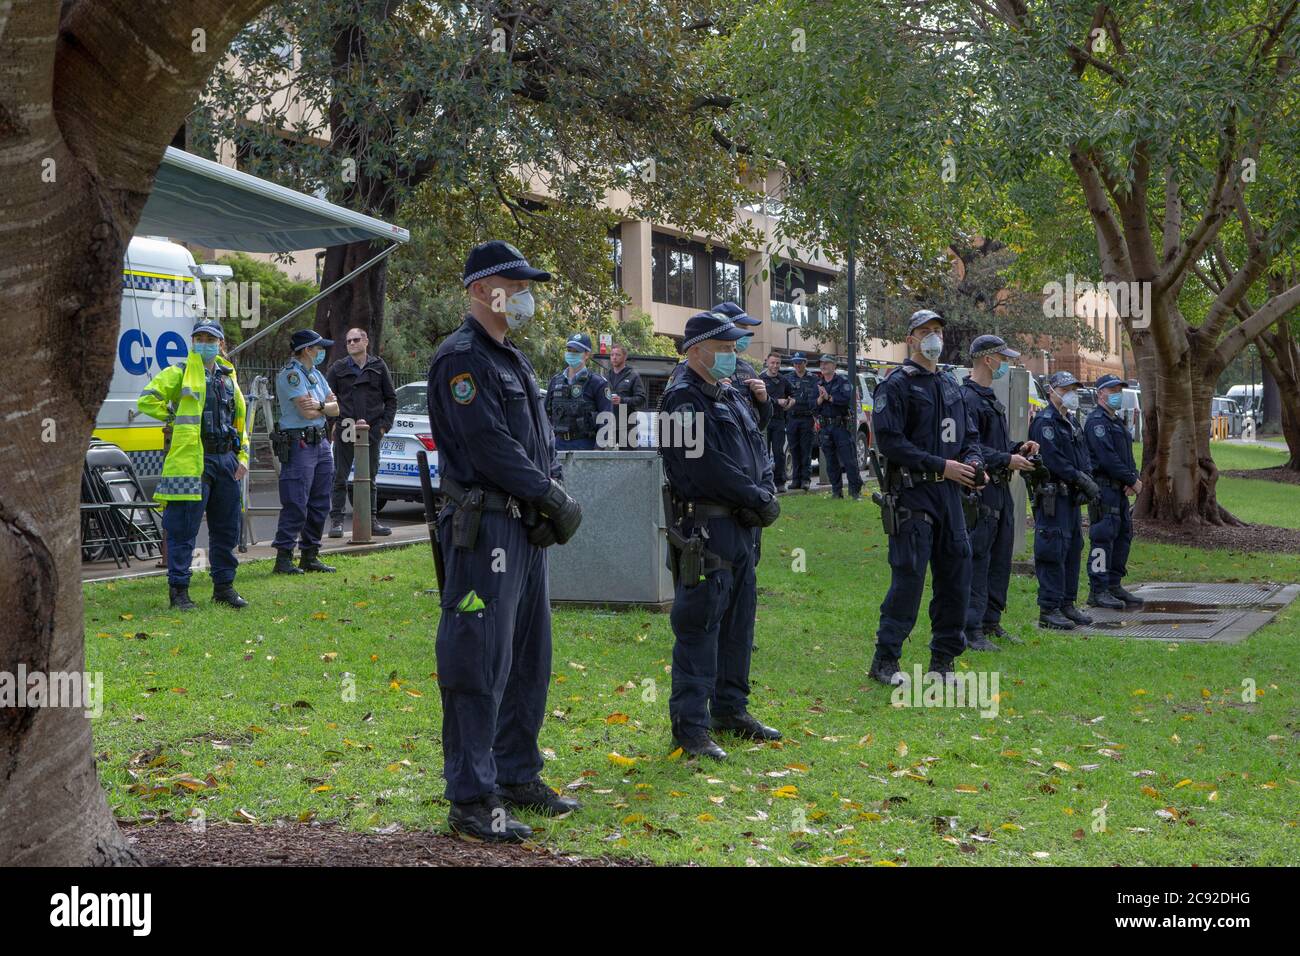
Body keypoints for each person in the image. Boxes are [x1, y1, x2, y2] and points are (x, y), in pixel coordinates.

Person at [428, 239, 584, 842]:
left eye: (525, 288)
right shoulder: (461, 359)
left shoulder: (510, 357)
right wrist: (550, 496)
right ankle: (472, 797)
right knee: (477, 660)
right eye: (512, 286)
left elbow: (538, 444)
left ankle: (517, 773)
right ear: (478, 290)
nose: (523, 296)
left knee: (527, 659)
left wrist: (550, 492)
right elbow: (491, 447)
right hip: (485, 527)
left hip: (522, 527)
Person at [661, 311, 782, 760]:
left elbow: (758, 449)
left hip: (742, 527)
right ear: (696, 351)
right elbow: (705, 468)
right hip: (707, 528)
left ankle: (731, 710)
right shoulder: (682, 401)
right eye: (725, 348)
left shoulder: (728, 395)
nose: (733, 355)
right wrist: (755, 495)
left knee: (738, 623)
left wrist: (764, 490)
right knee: (701, 624)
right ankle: (690, 728)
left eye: (734, 348)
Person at [867, 310, 984, 686]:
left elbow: (969, 437)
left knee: (956, 575)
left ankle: (943, 661)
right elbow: (889, 442)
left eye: (938, 331)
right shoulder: (896, 385)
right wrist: (940, 464)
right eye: (925, 331)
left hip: (950, 494)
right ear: (911, 338)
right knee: (909, 578)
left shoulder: (951, 384)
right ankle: (886, 660)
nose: (934, 337)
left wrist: (974, 463)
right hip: (914, 493)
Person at [137, 318, 249, 610]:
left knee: (226, 528)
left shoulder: (228, 377)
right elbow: (147, 399)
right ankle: (179, 592)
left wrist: (244, 457)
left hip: (226, 459)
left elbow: (240, 422)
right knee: (183, 528)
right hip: (192, 461)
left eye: (210, 340)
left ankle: (224, 588)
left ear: (221, 344)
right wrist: (173, 419)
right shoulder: (180, 372)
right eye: (199, 339)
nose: (204, 344)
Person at [960, 335, 1040, 650]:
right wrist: (1007, 459)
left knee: (1000, 556)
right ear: (987, 359)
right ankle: (971, 627)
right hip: (982, 490)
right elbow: (971, 448)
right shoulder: (967, 398)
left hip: (1000, 487)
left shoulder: (989, 397)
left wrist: (1017, 448)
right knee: (979, 557)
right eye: (1002, 358)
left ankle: (992, 621)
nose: (1006, 363)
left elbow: (993, 444)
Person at [1028, 371, 1101, 629]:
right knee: (1052, 550)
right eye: (1066, 388)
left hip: (1070, 498)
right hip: (1053, 496)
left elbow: (1083, 453)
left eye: (1074, 389)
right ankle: (1049, 608)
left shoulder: (1071, 420)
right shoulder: (1045, 421)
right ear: (1052, 391)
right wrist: (1079, 478)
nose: (1071, 393)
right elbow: (1052, 458)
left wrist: (1086, 478)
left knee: (1072, 550)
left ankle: (1067, 603)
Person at [272, 330, 339, 574]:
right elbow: (306, 413)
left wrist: (320, 405)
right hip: (299, 443)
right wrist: (324, 408)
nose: (322, 351)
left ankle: (310, 555)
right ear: (307, 349)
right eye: (318, 347)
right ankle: (284, 558)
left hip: (320, 443)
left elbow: (336, 408)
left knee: (321, 501)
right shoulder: (291, 375)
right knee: (296, 501)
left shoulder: (316, 375)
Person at [326, 327, 397, 538]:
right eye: (348, 341)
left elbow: (391, 398)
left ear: (366, 341)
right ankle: (337, 522)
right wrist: (332, 424)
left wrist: (384, 426)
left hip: (372, 430)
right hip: (345, 427)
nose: (352, 344)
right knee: (340, 476)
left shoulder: (378, 366)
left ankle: (371, 520)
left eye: (356, 340)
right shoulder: (337, 368)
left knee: (369, 478)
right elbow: (328, 398)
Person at [1085, 374, 1145, 610]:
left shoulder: (1115, 422)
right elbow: (1107, 458)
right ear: (1100, 393)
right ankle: (1098, 590)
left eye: (1120, 390)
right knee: (1103, 539)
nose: (1117, 394)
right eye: (1112, 390)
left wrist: (1133, 477)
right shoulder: (1096, 422)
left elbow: (1126, 456)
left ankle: (1113, 584)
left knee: (1122, 537)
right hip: (1104, 490)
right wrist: (1132, 479)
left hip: (1120, 491)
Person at [711, 301, 772, 431]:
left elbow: (760, 425)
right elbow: (677, 437)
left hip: (746, 447)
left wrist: (763, 400)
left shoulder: (746, 367)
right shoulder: (693, 370)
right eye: (742, 328)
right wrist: (711, 391)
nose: (747, 334)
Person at [545, 332, 613, 450]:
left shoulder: (597, 383)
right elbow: (544, 415)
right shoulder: (556, 381)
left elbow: (607, 418)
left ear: (587, 354)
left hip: (585, 445)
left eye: (576, 351)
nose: (571, 354)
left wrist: (598, 451)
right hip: (557, 444)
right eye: (569, 349)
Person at [814, 354, 864, 500]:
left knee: (849, 461)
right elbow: (812, 406)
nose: (823, 366)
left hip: (840, 426)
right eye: (822, 363)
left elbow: (844, 399)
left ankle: (855, 492)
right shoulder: (817, 384)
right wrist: (820, 399)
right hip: (825, 427)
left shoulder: (843, 382)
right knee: (830, 462)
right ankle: (837, 492)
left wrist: (828, 397)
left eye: (827, 363)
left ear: (834, 366)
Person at [784, 353, 820, 491]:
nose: (797, 365)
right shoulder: (788, 378)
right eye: (795, 363)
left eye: (800, 362)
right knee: (794, 449)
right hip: (792, 418)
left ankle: (805, 479)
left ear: (805, 363)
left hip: (807, 418)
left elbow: (816, 400)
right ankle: (795, 479)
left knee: (806, 450)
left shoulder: (814, 379)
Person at [759, 352, 793, 491]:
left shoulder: (783, 380)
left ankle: (780, 483)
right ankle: (764, 483)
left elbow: (792, 396)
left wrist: (790, 403)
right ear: (767, 362)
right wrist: (776, 401)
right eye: (773, 363)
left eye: (778, 363)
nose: (775, 366)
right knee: (762, 452)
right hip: (763, 421)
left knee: (779, 452)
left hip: (779, 420)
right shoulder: (759, 379)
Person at [606, 343, 647, 447]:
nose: (614, 357)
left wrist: (622, 400)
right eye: (612, 355)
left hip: (628, 427)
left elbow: (641, 398)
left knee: (629, 461)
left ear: (625, 357)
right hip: (609, 426)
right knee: (607, 461)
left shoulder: (633, 375)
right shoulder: (606, 376)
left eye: (618, 355)